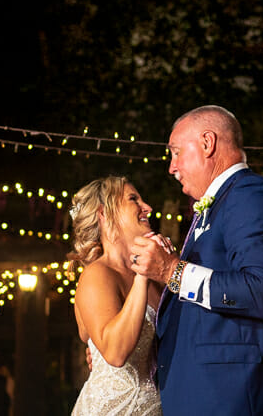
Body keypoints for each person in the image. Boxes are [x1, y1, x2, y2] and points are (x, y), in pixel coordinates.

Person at [130, 105, 263, 416]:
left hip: (240, 399)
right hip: (212, 396)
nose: (172, 167)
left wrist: (171, 271)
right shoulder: (219, 205)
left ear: (207, 143)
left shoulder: (252, 195)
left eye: (176, 152)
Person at [68, 175, 170, 416]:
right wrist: (141, 276)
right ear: (105, 214)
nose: (148, 208)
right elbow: (114, 353)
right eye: (133, 199)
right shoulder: (97, 275)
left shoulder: (156, 278)